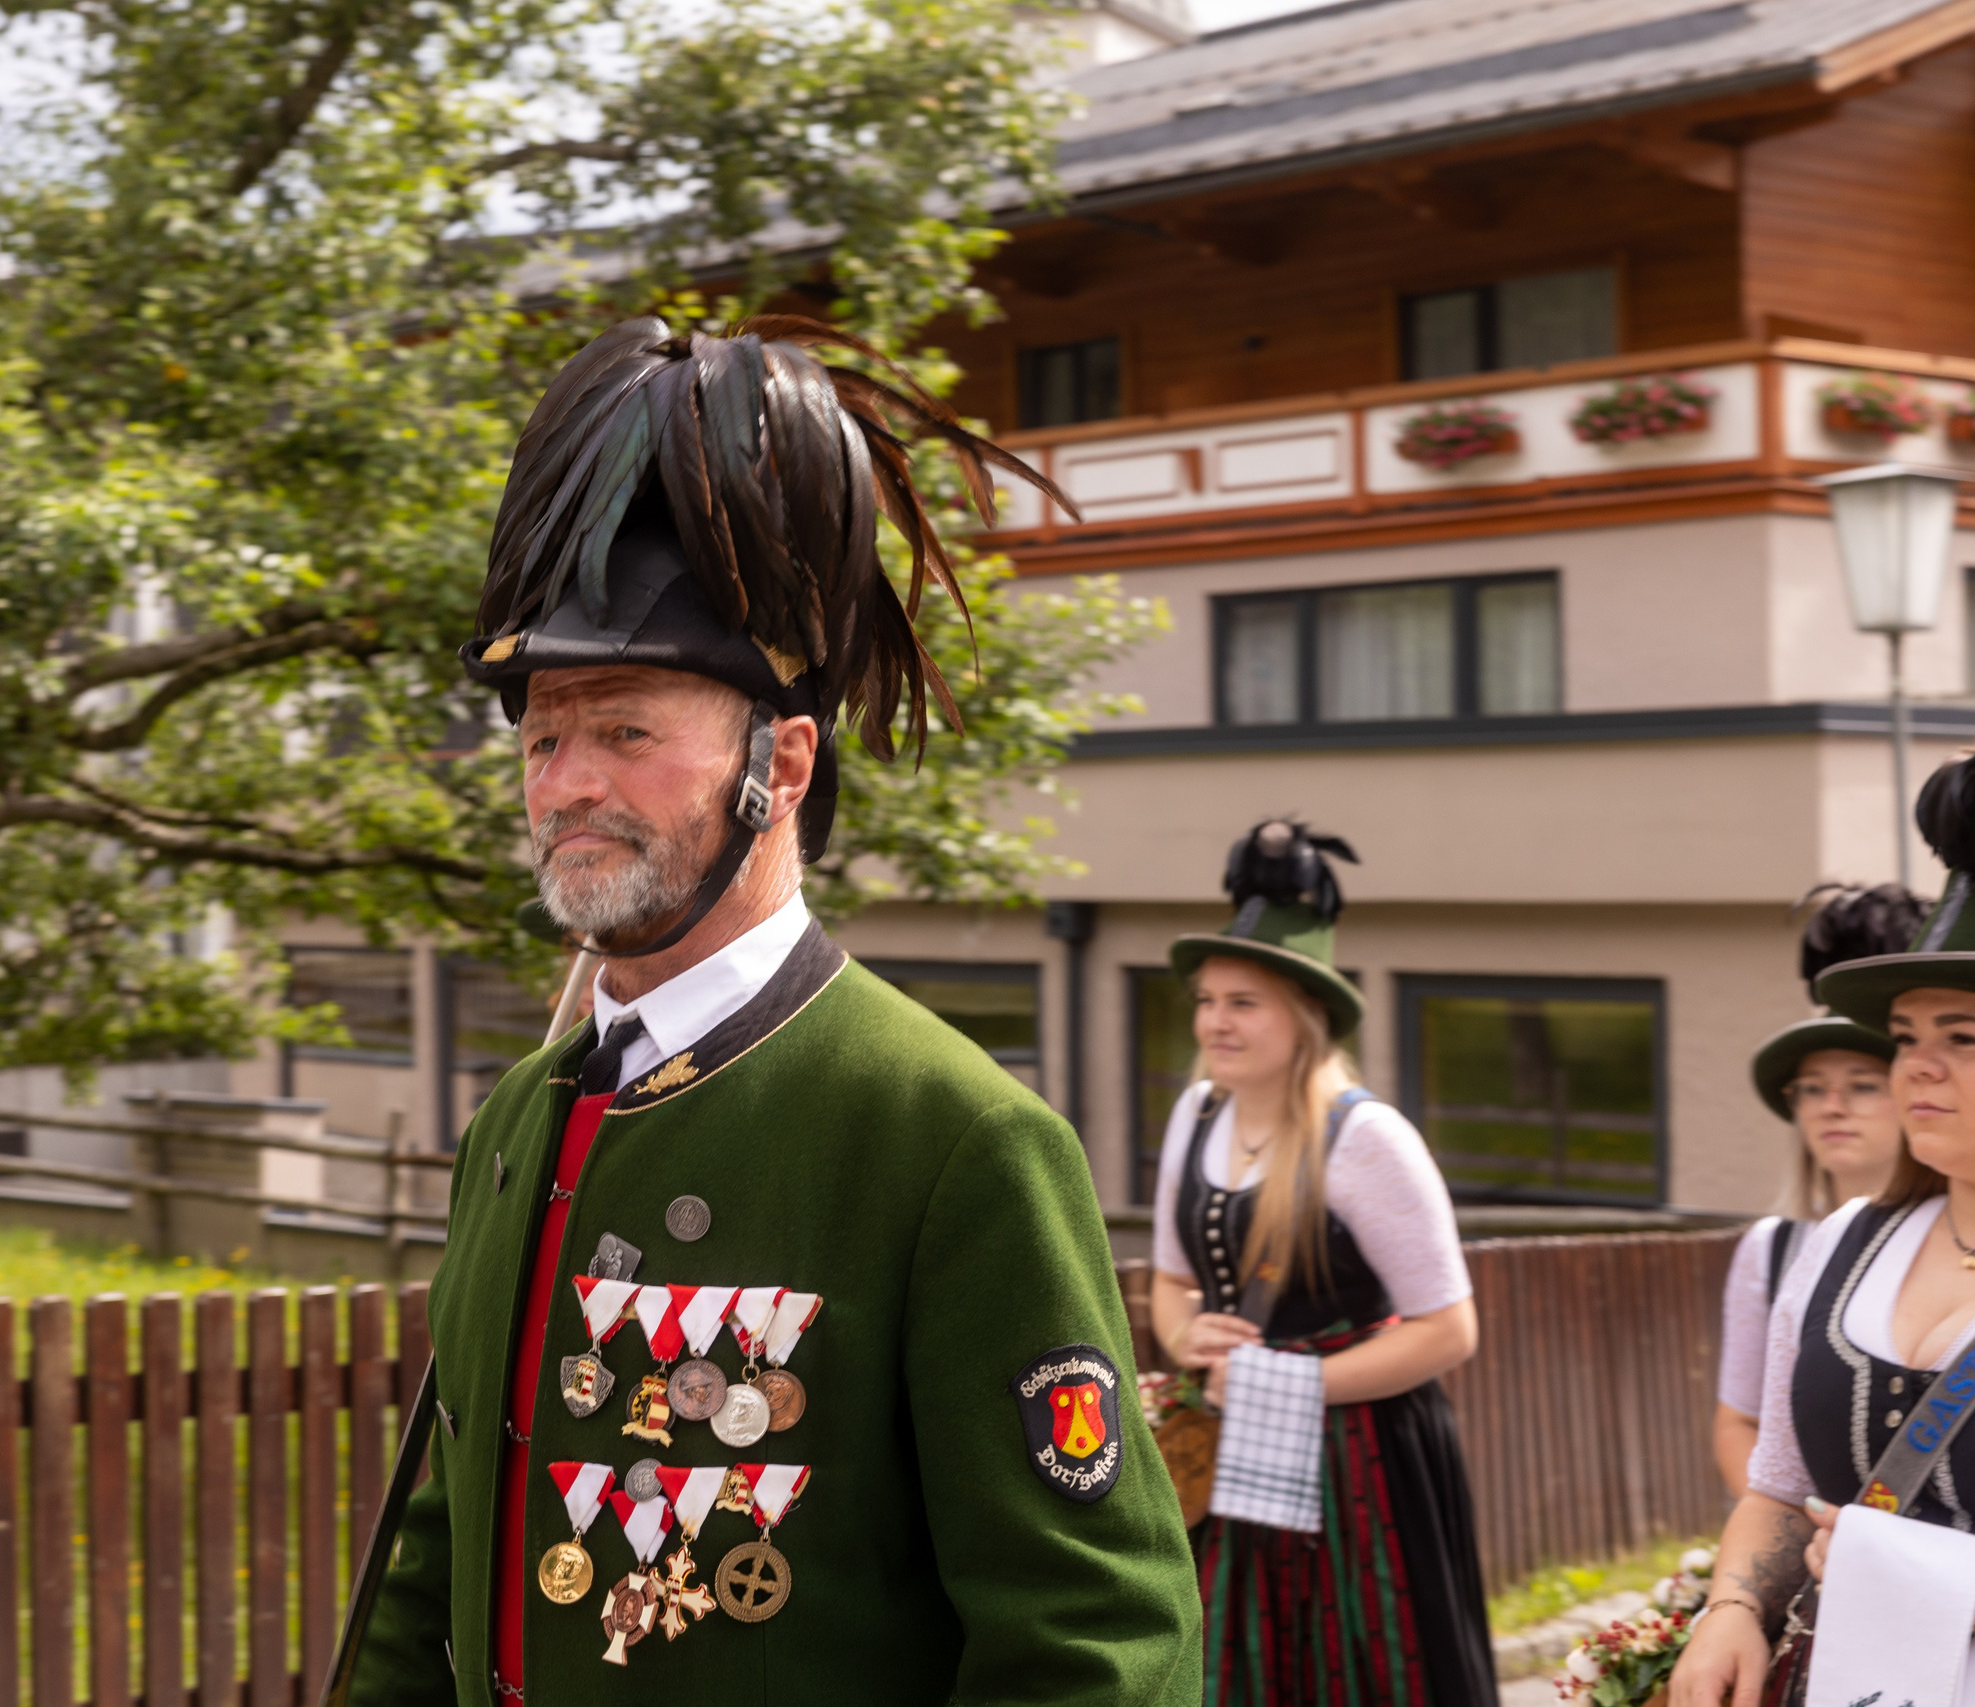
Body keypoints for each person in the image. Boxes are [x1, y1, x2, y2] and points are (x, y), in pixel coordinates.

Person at [340, 317, 1203, 1702]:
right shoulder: (516, 1119)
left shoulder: (951, 1138)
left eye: (625, 729)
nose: (565, 782)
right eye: (544, 734)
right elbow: (442, 1556)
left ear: (782, 763)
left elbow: (1099, 1643)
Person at [1147, 820, 1493, 1707]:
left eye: (1244, 1002)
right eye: (1207, 999)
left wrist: (1293, 1382)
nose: (1215, 1021)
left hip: (1359, 1458)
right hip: (1230, 1441)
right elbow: (1172, 1280)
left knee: (1358, 1661)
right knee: (1231, 1653)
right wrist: (1188, 1338)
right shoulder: (1197, 1111)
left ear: (1305, 1016)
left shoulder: (1368, 1137)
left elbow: (1449, 1329)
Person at [1673, 756, 1975, 1707]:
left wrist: (1920, 1572)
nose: (1917, 1067)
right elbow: (1778, 1484)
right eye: (1907, 1036)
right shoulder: (1844, 1239)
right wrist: (1731, 1608)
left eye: (1962, 1036)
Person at [1713, 886, 1920, 1500]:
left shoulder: (1953, 1239)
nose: (1832, 1106)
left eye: (1862, 1085)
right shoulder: (1773, 1247)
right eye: (1811, 1087)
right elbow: (1739, 1420)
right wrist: (1785, 1532)